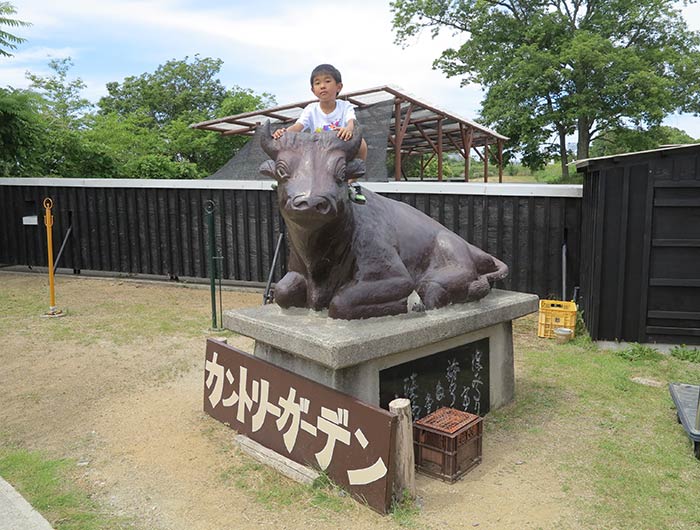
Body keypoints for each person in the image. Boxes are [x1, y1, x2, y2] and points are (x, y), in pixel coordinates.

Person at [273, 64, 368, 203]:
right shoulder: (311, 109)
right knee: (291, 144)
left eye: (327, 81)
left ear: (339, 87)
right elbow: (298, 126)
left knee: (362, 143)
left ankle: (351, 183)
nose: (322, 86)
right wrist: (284, 133)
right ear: (313, 90)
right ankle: (287, 178)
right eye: (317, 83)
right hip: (315, 151)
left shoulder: (345, 106)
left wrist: (348, 129)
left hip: (338, 149)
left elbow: (351, 121)